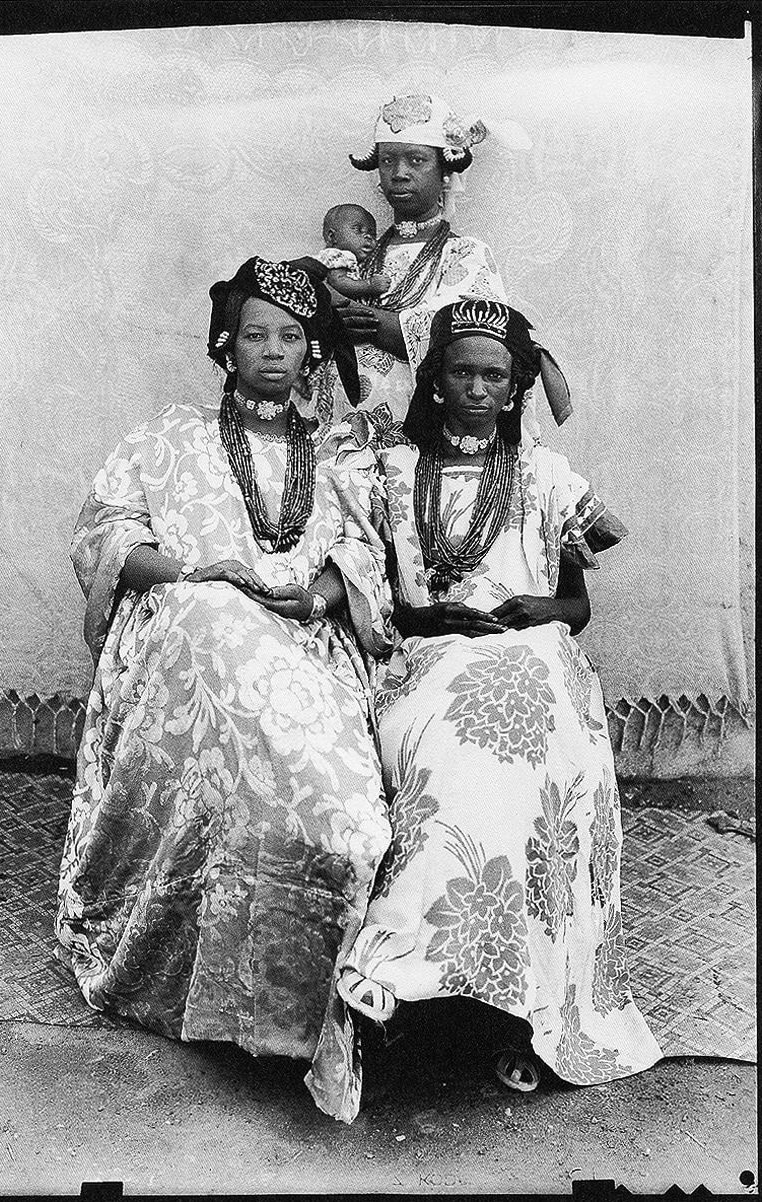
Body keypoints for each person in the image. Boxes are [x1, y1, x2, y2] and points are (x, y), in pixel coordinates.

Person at [55, 256, 396, 1105]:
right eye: (254, 335)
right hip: (194, 632)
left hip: (306, 645)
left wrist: (314, 596)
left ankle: (310, 1008)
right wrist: (198, 572)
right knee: (211, 625)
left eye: (290, 336)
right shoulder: (169, 436)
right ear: (225, 343)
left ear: (313, 349)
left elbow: (361, 554)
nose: (272, 351)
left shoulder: (342, 455)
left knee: (344, 816)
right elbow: (103, 534)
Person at [317, 297, 662, 1119]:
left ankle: (521, 1005)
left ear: (515, 390)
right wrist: (429, 618)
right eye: (461, 372)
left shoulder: (544, 476)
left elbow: (574, 608)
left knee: (531, 739)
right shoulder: (391, 475)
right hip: (429, 656)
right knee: (449, 766)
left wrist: (544, 612)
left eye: (494, 376)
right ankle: (401, 972)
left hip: (534, 656)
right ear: (434, 381)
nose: (477, 387)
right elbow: (379, 599)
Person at [313, 92, 540, 442]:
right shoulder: (356, 254)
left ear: (445, 172)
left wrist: (378, 324)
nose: (399, 173)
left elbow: (470, 343)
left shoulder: (465, 253)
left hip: (426, 433)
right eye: (388, 161)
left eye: (416, 161)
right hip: (348, 426)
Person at [317, 203, 392, 301]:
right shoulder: (337, 255)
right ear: (332, 237)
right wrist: (369, 284)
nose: (368, 236)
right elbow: (337, 281)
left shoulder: (356, 260)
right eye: (358, 230)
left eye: (372, 234)